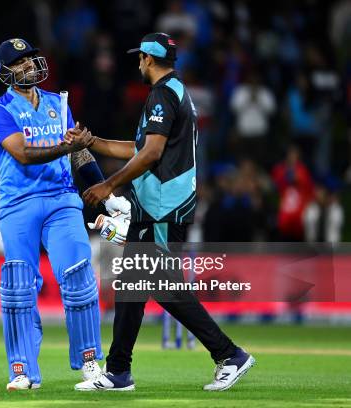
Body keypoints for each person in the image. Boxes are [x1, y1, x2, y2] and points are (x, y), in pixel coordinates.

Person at [74, 33, 255, 392]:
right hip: (158, 206)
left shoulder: (161, 95)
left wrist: (108, 185)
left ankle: (229, 354)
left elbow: (152, 153)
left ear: (148, 59)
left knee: (161, 286)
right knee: (132, 286)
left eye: (139, 58)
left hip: (162, 208)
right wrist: (91, 142)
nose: (137, 64)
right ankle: (118, 372)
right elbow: (140, 148)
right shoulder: (175, 92)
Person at [0, 38, 130, 390]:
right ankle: (22, 371)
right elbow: (23, 153)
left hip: (62, 201)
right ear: (6, 71)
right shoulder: (0, 110)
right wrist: (67, 146)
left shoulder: (57, 103)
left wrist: (105, 192)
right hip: (18, 204)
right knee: (19, 288)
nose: (31, 64)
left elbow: (80, 155)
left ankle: (90, 363)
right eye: (21, 61)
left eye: (32, 58)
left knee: (79, 278)